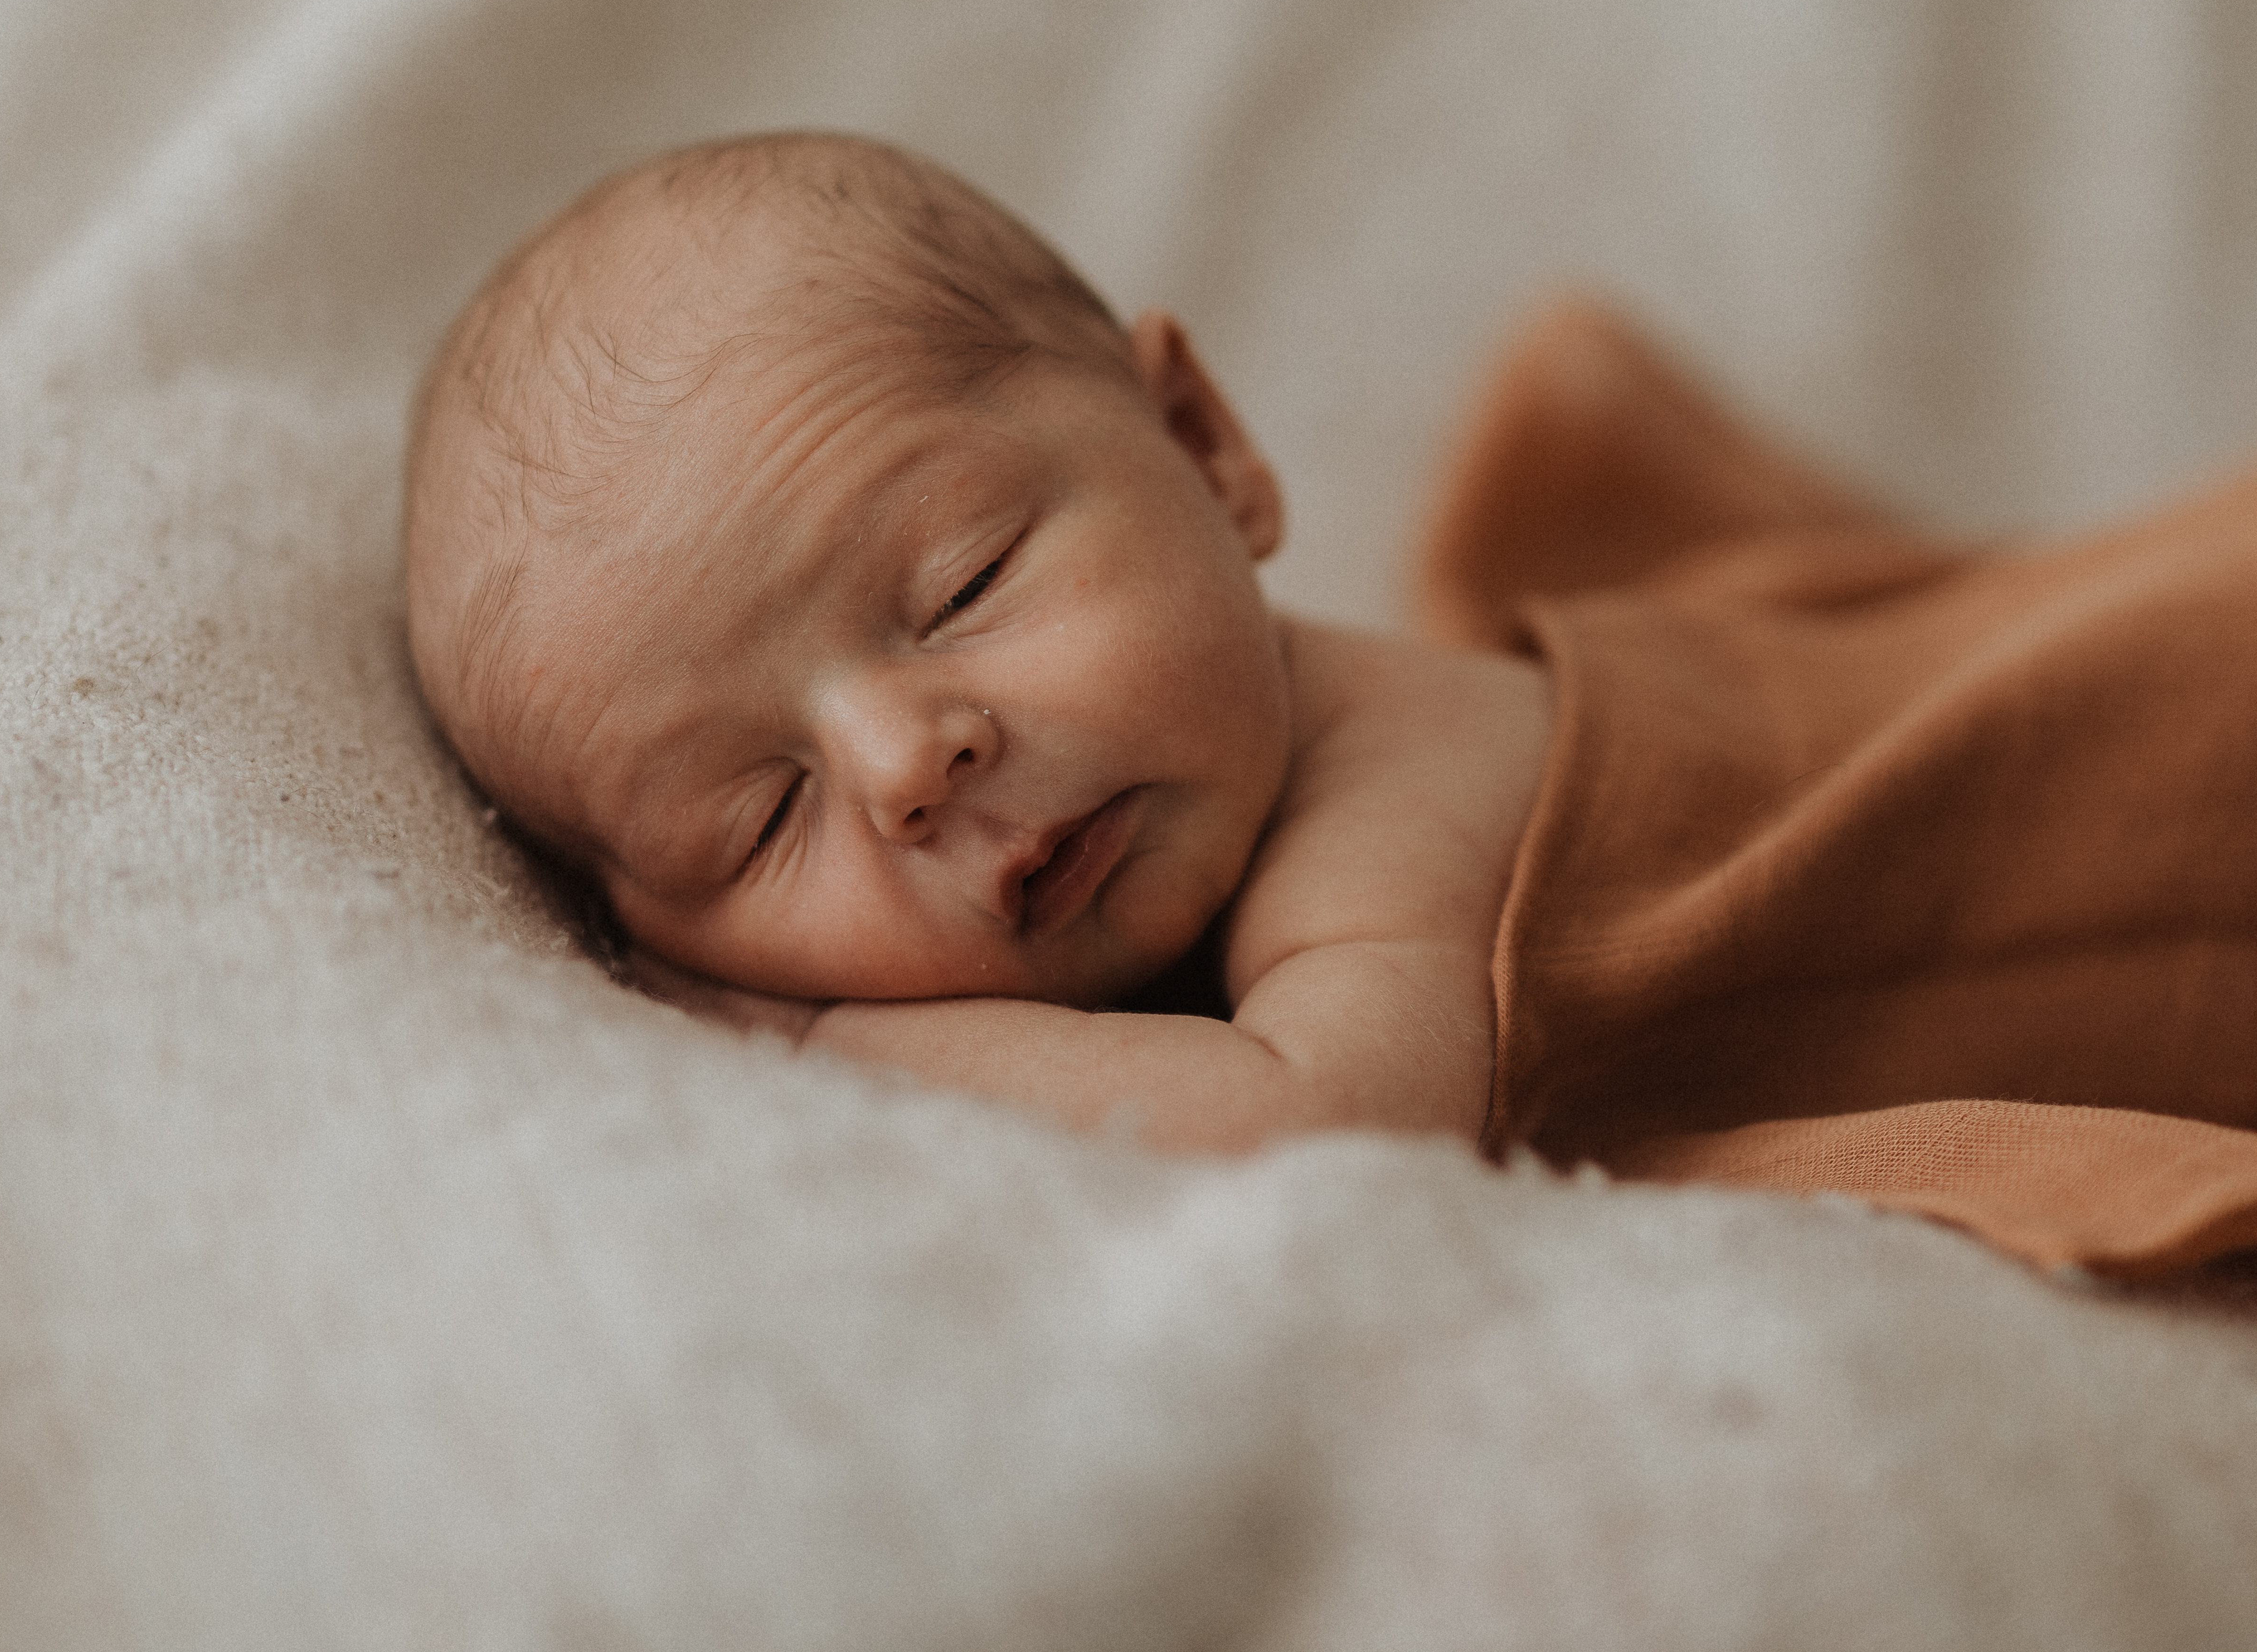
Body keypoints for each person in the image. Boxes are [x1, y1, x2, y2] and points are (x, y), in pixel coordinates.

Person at [404, 132, 1549, 1155]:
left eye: (968, 585)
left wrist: (818, 1039)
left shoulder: (1397, 776)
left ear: (1201, 445)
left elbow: (1320, 1131)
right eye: (759, 821)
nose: (906, 767)